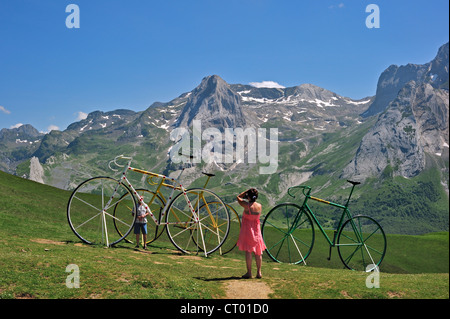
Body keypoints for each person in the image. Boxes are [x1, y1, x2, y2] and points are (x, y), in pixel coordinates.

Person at [236, 188, 266, 279]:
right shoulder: (259, 206)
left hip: (248, 230)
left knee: (248, 251)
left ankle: (249, 272)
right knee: (258, 251)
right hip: (257, 230)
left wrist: (244, 192)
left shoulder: (246, 205)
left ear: (248, 196)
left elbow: (238, 197)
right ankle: (259, 272)